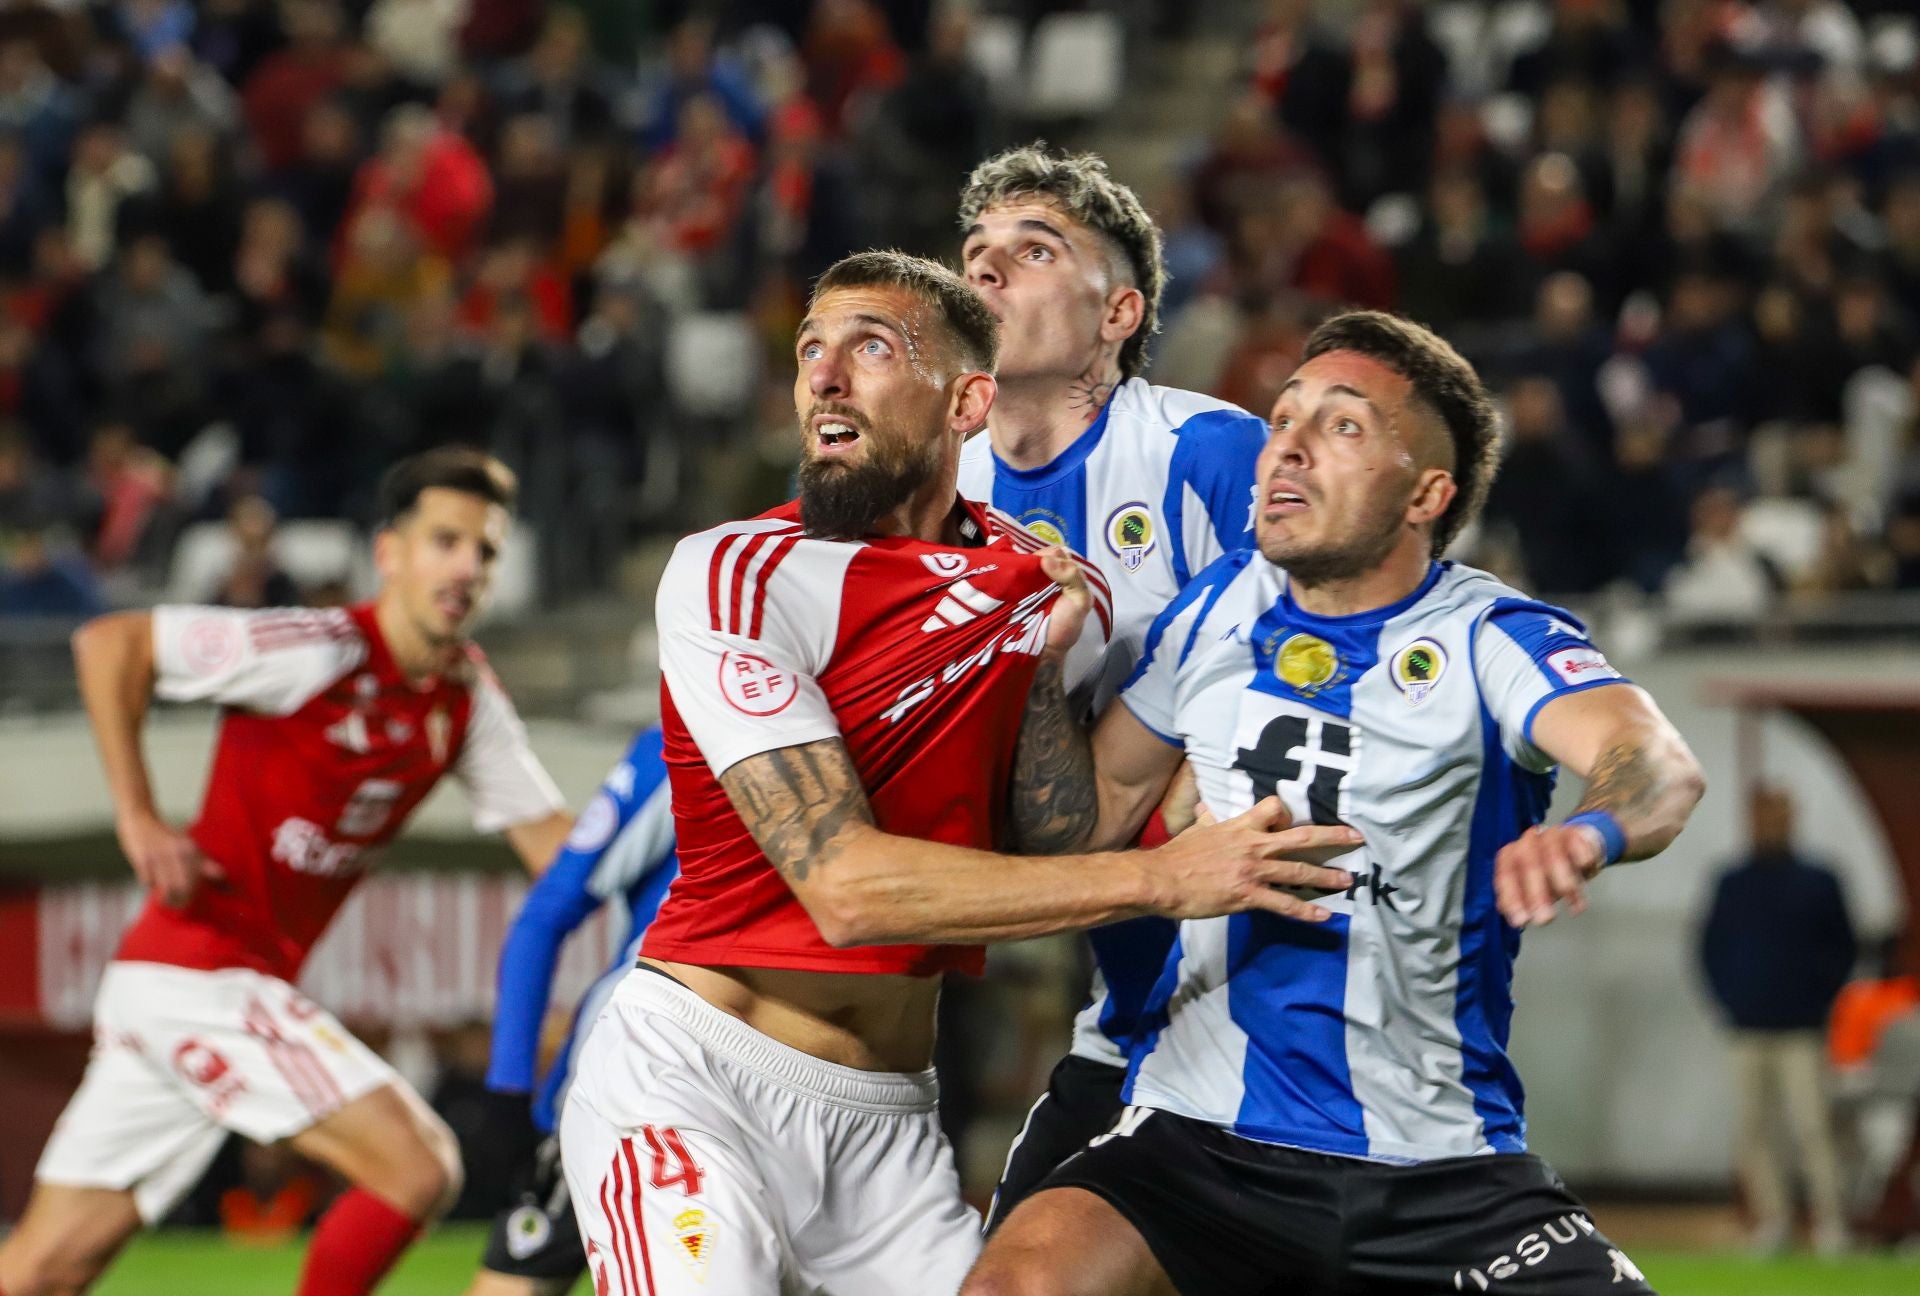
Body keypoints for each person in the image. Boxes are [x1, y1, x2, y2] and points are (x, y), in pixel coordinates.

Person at [557, 250, 1359, 1296]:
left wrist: (1033, 671)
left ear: (968, 401)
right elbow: (844, 889)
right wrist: (1170, 877)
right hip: (699, 1081)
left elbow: (1058, 844)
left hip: (886, 1132)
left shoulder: (1046, 588)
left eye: (871, 349)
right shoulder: (737, 572)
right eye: (811, 352)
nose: (826, 378)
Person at [961, 310, 1708, 1296]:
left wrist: (1589, 828)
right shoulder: (1217, 607)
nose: (1290, 448)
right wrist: (1046, 667)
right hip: (1199, 1145)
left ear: (1426, 494)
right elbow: (1086, 818)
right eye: (1283, 418)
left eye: (1344, 427)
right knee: (1022, 1277)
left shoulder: (1490, 635)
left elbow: (1651, 757)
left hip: (1441, 1174)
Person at [0, 447, 573, 1296]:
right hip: (201, 977)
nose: (466, 566)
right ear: (390, 554)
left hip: (182, 990)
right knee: (416, 1168)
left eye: (484, 550)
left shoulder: (464, 701)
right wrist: (138, 813)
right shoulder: (318, 648)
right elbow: (110, 641)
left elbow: (562, 856)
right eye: (445, 541)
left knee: (41, 1273)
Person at [952, 144, 1268, 1229]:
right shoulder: (925, 489)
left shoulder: (1209, 453)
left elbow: (1331, 635)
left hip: (1280, 1016)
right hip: (1126, 1013)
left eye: (1032, 252)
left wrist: (1187, 754)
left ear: (1118, 313)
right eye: (975, 254)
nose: (986, 273)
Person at [466, 727, 680, 1296]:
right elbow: (544, 917)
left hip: (826, 1081)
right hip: (638, 1074)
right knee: (521, 1279)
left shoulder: (900, 728)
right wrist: (510, 1090)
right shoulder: (686, 743)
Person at [1699, 785, 1856, 1255]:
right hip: (1748, 1027)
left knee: (1812, 1126)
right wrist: (1732, 1000)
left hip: (1803, 1029)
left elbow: (1843, 948)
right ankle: (1774, 1221)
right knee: (1754, 1129)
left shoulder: (1819, 880)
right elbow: (1709, 948)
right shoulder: (1733, 882)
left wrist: (1817, 998)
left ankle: (1831, 1223)